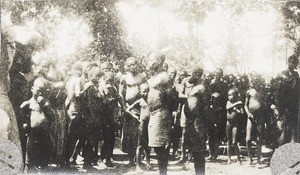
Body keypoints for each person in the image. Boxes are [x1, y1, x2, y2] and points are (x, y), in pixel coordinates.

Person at [20, 80, 55, 171]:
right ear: (32, 89)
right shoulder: (28, 103)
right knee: (31, 156)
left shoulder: (46, 102)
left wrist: (45, 105)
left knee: (44, 157)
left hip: (44, 133)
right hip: (33, 133)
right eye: (38, 90)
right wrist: (25, 123)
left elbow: (52, 116)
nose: (40, 93)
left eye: (42, 91)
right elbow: (22, 115)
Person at [147, 53, 173, 175]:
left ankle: (163, 173)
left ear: (160, 61)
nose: (150, 62)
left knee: (161, 146)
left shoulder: (164, 76)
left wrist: (165, 112)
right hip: (152, 112)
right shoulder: (154, 76)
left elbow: (170, 97)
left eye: (153, 60)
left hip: (160, 112)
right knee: (156, 145)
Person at [119, 57, 147, 167]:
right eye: (130, 65)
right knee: (129, 135)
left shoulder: (142, 76)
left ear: (137, 65)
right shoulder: (124, 77)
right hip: (128, 108)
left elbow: (146, 90)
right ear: (127, 66)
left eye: (134, 64)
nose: (132, 66)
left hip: (139, 108)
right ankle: (131, 159)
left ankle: (139, 159)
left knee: (140, 134)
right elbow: (120, 93)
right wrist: (124, 106)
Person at [183, 67, 208, 175]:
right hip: (191, 120)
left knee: (199, 151)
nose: (189, 77)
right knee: (194, 149)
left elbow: (205, 106)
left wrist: (200, 118)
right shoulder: (194, 87)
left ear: (197, 74)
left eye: (192, 74)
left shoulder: (200, 88)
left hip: (198, 121)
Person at [99, 71, 124, 167]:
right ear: (105, 78)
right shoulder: (101, 87)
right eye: (108, 78)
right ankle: (101, 158)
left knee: (111, 137)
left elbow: (118, 98)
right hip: (104, 115)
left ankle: (108, 158)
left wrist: (122, 107)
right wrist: (111, 99)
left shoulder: (113, 88)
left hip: (111, 115)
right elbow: (103, 100)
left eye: (112, 78)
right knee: (105, 138)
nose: (110, 80)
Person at [80, 66, 103, 169]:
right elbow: (89, 103)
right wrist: (93, 118)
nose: (97, 77)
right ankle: (87, 163)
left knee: (92, 140)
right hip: (91, 117)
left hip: (95, 116)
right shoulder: (89, 86)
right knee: (90, 140)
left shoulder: (94, 86)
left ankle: (88, 162)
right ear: (90, 76)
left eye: (99, 75)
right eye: (95, 75)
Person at [126, 83, 151, 171]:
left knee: (148, 145)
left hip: (149, 125)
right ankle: (138, 165)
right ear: (140, 92)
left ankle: (148, 163)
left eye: (148, 91)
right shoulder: (140, 101)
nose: (146, 93)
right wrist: (135, 116)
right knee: (139, 145)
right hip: (142, 125)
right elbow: (128, 109)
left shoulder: (151, 100)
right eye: (144, 91)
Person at [277, 55, 299, 144]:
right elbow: (278, 93)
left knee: (294, 131)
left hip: (294, 107)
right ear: (288, 63)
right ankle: (280, 151)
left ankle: (291, 155)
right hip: (284, 107)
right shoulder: (282, 74)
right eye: (291, 62)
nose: (292, 64)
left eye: (294, 63)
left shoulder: (296, 75)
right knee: (286, 130)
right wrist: (279, 109)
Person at [244, 74, 266, 165]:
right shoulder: (249, 92)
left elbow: (264, 105)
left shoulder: (262, 92)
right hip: (250, 116)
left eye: (258, 81)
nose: (257, 83)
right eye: (255, 81)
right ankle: (250, 158)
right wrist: (248, 113)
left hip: (260, 116)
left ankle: (258, 160)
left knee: (259, 138)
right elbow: (245, 105)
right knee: (248, 139)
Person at [226, 87, 244, 165]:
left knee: (234, 141)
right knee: (228, 141)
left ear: (235, 95)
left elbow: (242, 113)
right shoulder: (229, 102)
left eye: (231, 95)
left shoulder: (239, 103)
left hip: (235, 124)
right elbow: (228, 107)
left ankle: (238, 158)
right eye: (228, 95)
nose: (229, 97)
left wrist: (237, 110)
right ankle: (229, 158)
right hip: (228, 123)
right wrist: (236, 104)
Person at [205, 92, 223, 162]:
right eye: (214, 99)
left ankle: (215, 155)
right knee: (210, 140)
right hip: (210, 125)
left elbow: (220, 118)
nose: (215, 101)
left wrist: (217, 123)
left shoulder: (219, 109)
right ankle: (210, 154)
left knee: (215, 141)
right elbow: (207, 116)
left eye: (217, 99)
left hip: (216, 126)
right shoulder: (209, 107)